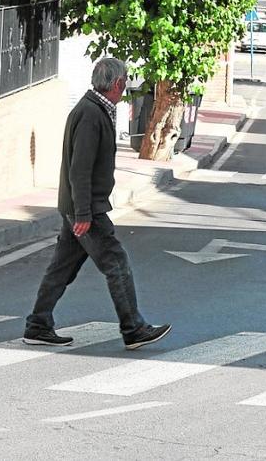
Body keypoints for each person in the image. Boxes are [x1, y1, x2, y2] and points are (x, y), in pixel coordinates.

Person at [24, 57, 171, 350]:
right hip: (87, 208)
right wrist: (83, 213)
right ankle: (133, 329)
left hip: (78, 206)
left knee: (61, 268)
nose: (125, 86)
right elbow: (80, 168)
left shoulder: (91, 108)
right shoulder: (91, 114)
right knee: (117, 263)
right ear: (117, 84)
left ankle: (38, 325)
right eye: (125, 82)